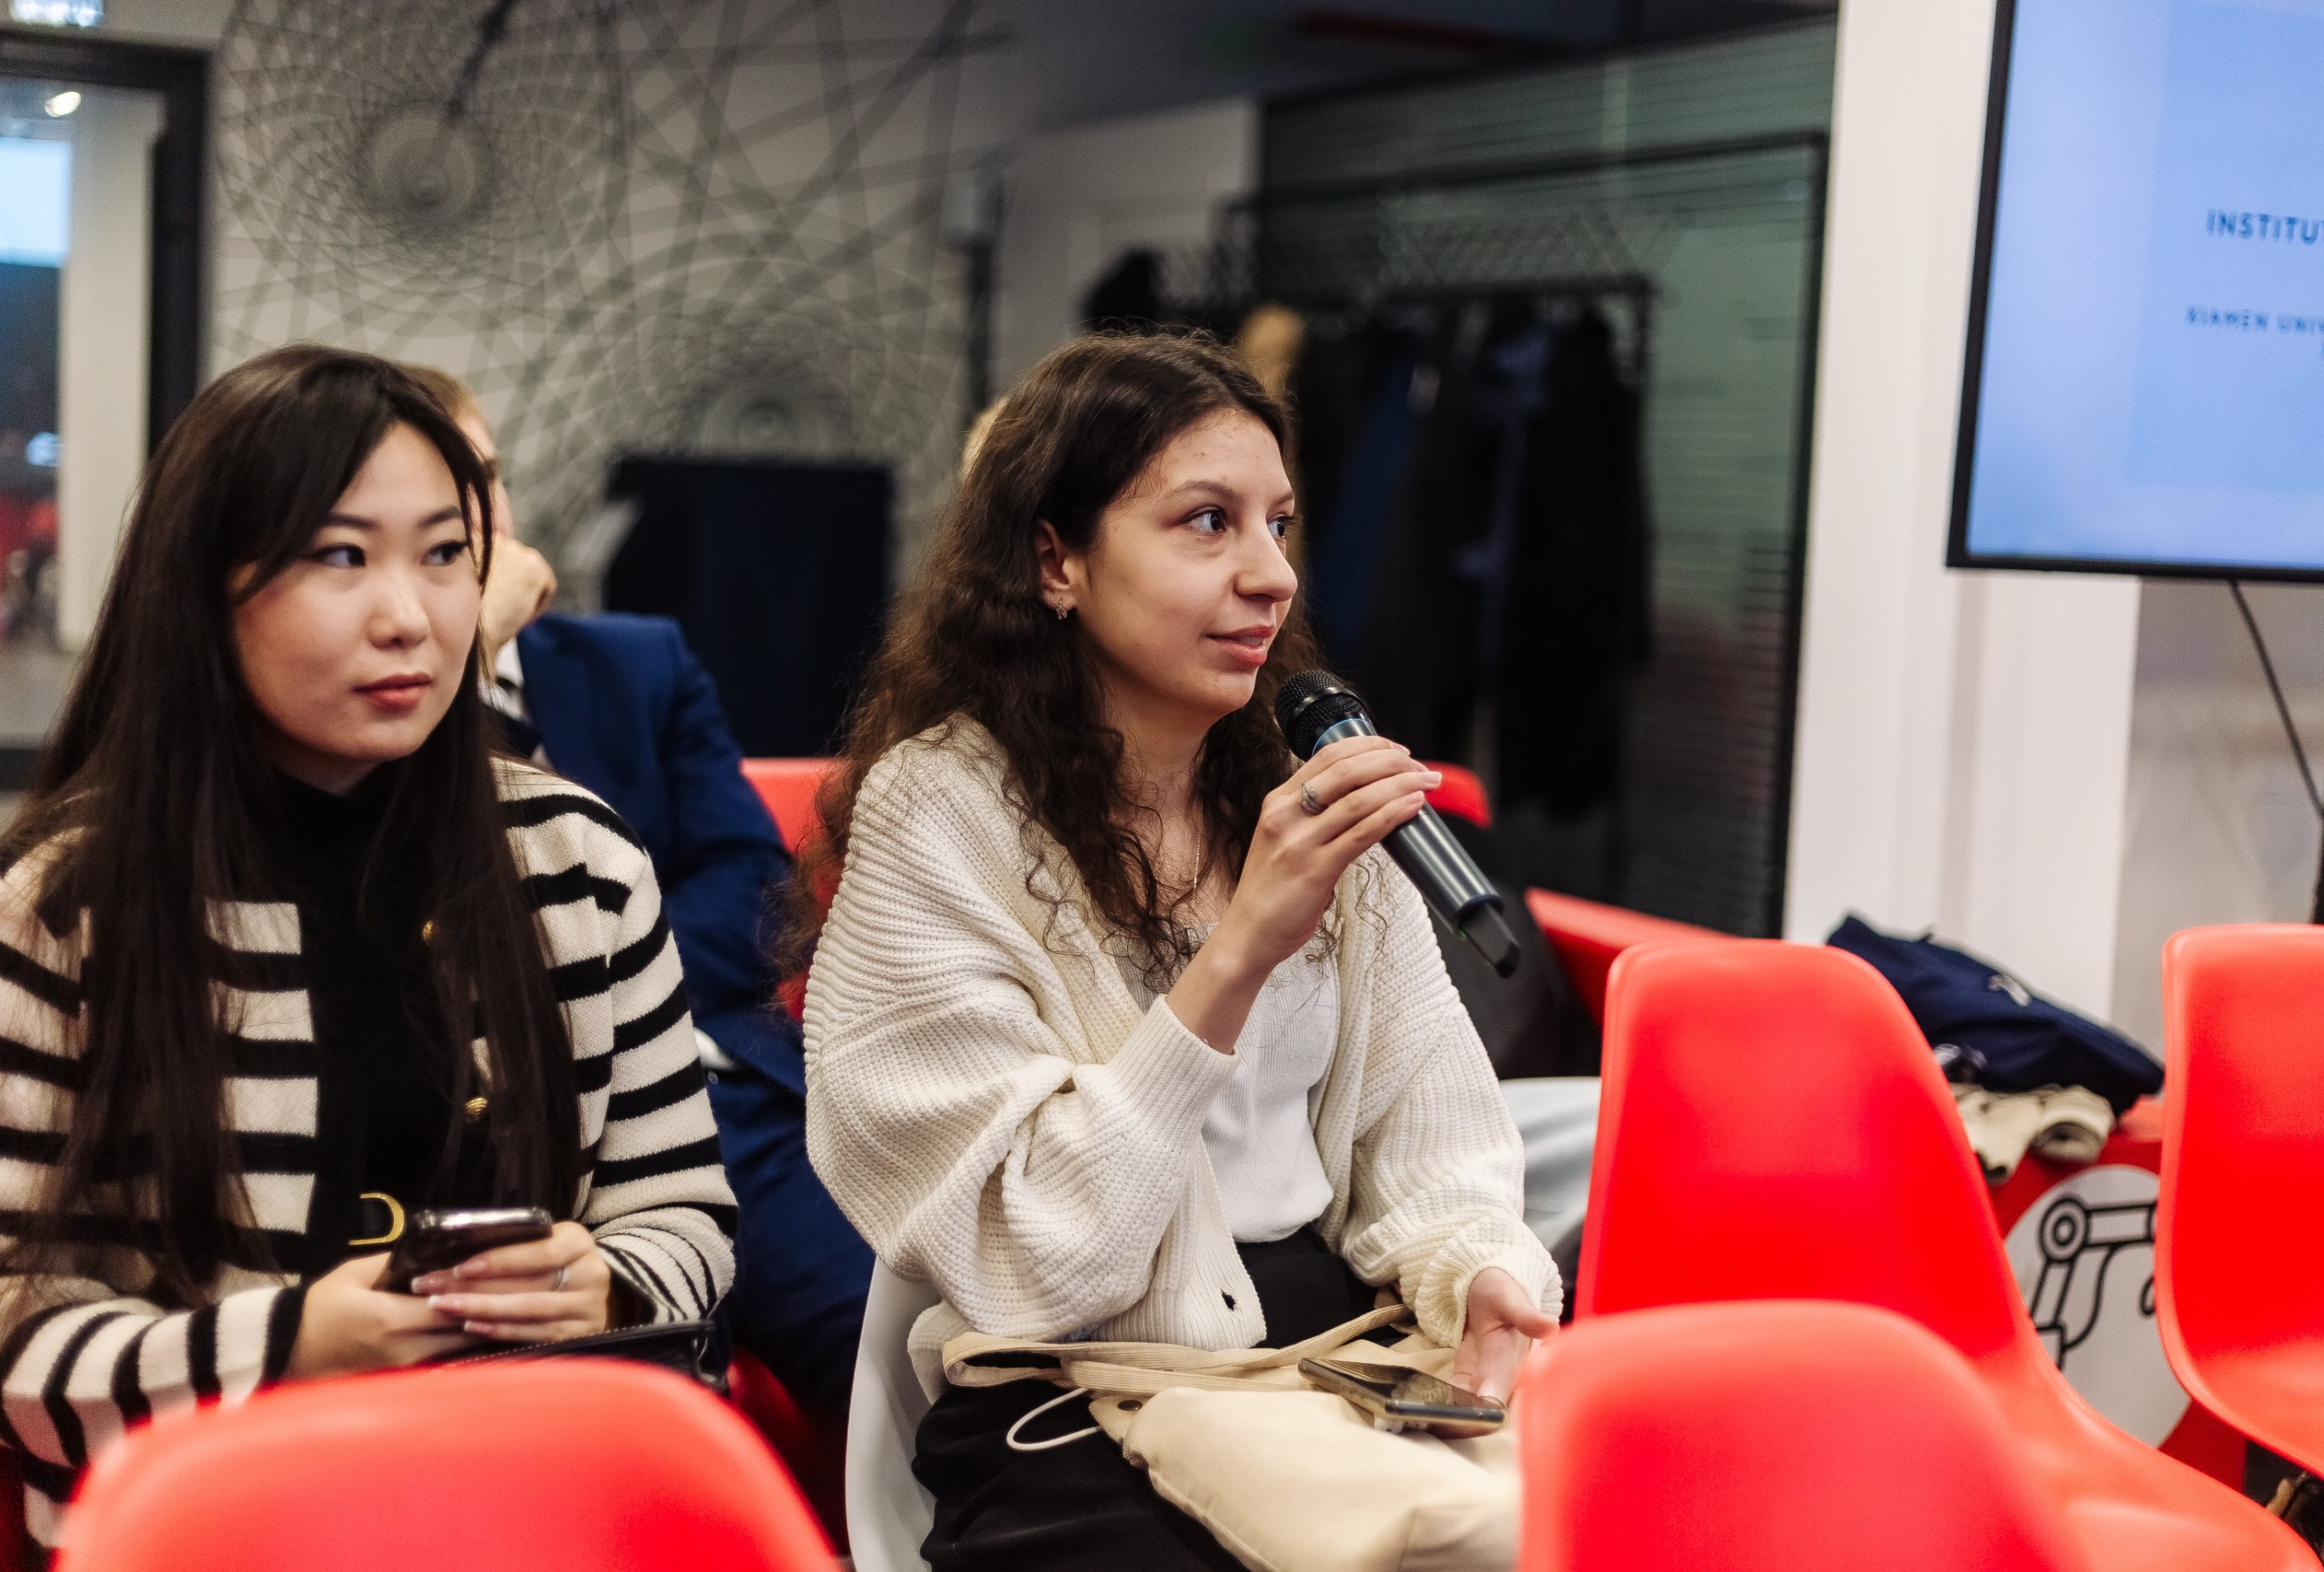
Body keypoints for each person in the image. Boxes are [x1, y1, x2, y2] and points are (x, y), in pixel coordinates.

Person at [795, 332, 1561, 1572]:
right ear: (1056, 559)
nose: (1269, 575)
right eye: (1207, 523)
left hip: (1330, 1355)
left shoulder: (1303, 787)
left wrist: (1473, 1268)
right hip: (1067, 1383)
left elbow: (1436, 1141)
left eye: (1281, 524)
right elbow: (1038, 1257)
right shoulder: (939, 813)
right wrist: (1238, 952)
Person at [0, 345, 735, 1551]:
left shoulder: (577, 863)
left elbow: (687, 1218)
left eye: (446, 553)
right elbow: (17, 1330)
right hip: (210, 1525)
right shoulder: (73, 903)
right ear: (204, 585)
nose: (411, 614)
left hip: (535, 1506)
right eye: (341, 556)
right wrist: (291, 1347)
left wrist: (599, 1282)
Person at [402, 365, 872, 1416]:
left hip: (713, 1088)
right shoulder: (350, 724)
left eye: (483, 479)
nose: (473, 517)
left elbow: (753, 889)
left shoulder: (636, 662)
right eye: (428, 497)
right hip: (487, 1119)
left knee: (894, 1340)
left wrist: (602, 971)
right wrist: (464, 659)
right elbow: (424, 915)